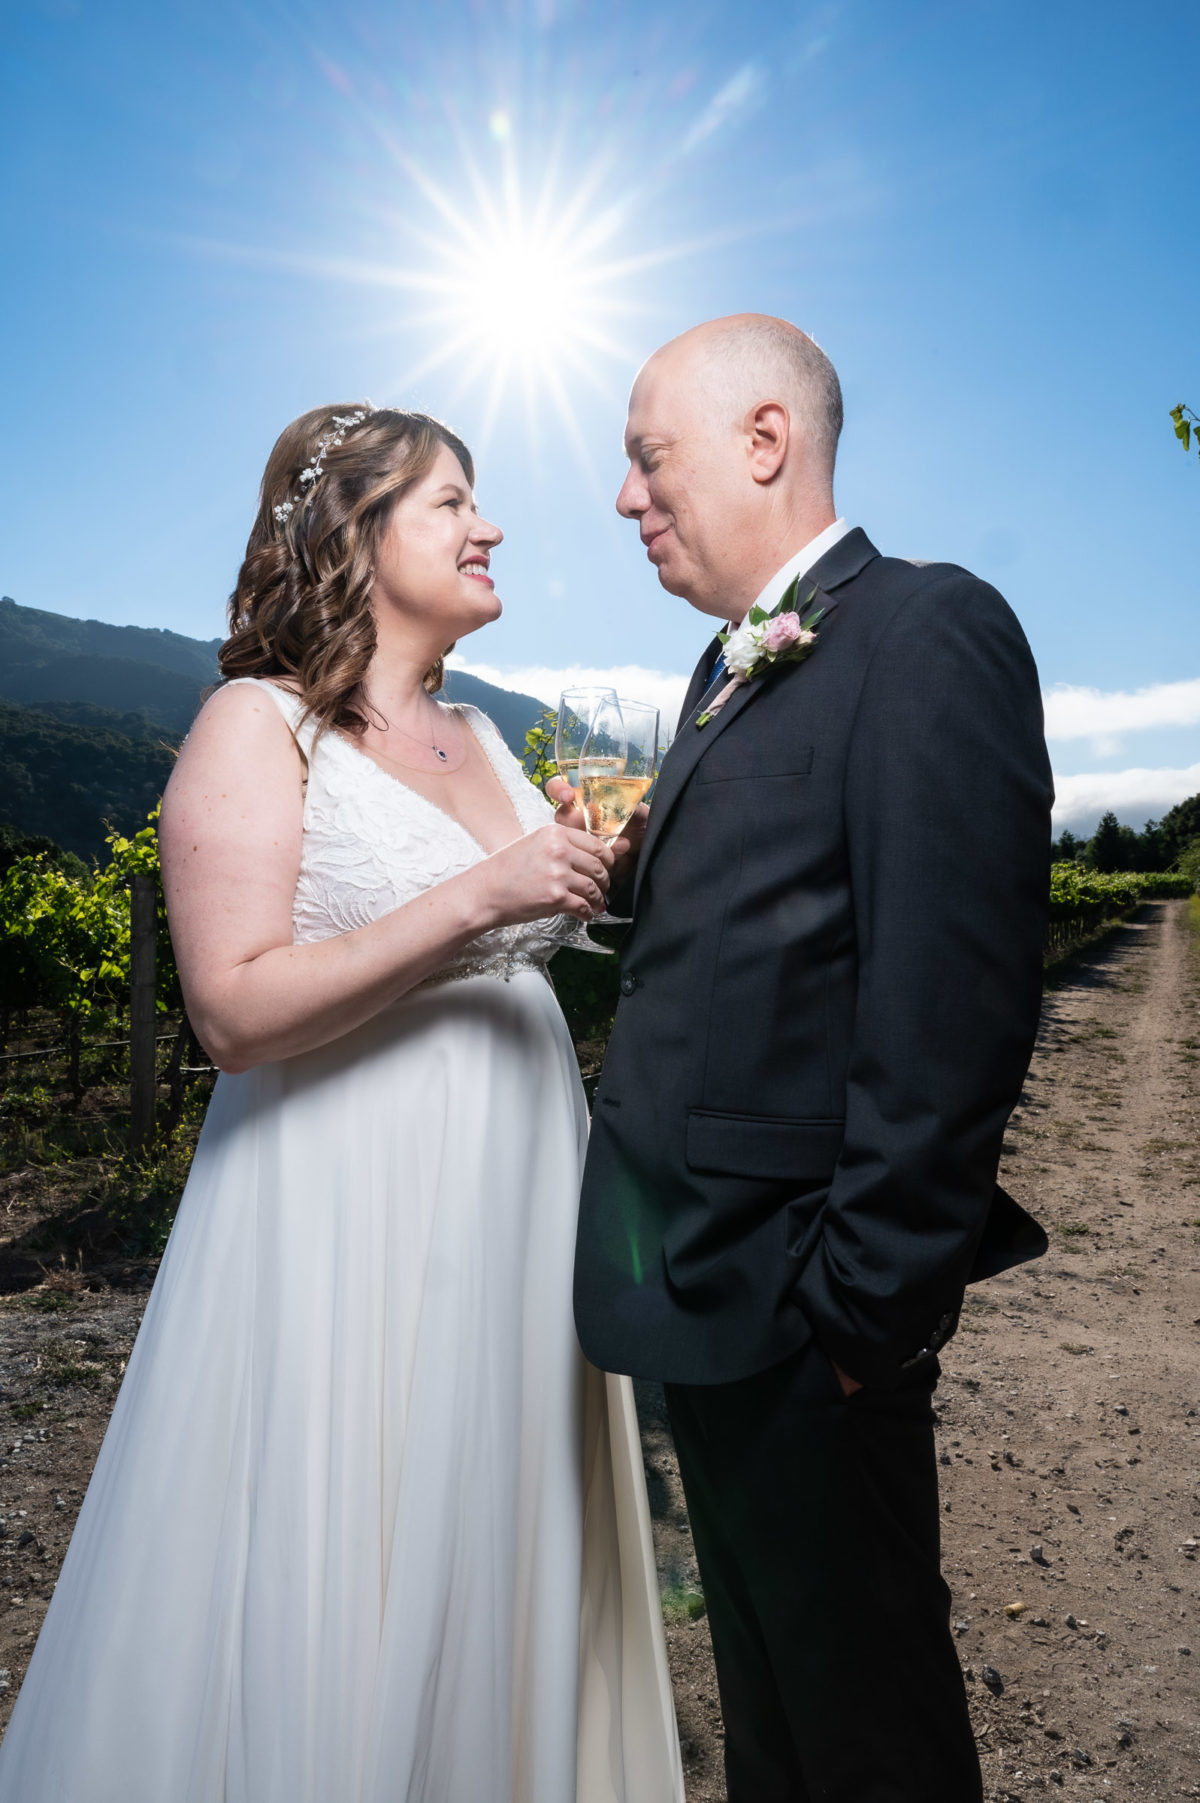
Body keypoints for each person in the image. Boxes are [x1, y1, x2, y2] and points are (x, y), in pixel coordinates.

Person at [0, 405, 683, 1803]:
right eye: (450, 503)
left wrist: (597, 865)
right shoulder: (255, 726)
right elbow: (234, 1013)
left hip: (517, 1195)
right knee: (347, 1533)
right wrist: (486, 892)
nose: (488, 526)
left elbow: (536, 923)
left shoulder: (491, 738)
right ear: (354, 537)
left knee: (492, 1531)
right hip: (346, 1206)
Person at [565, 317, 1053, 1802]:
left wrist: (861, 1319)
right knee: (775, 1715)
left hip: (802, 1312)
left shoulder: (925, 630)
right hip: (704, 1296)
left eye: (651, 459)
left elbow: (949, 1002)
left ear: (764, 441)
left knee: (869, 1728)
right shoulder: (724, 667)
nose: (628, 498)